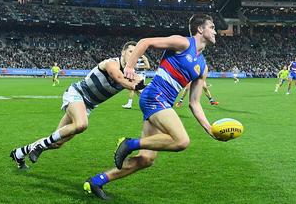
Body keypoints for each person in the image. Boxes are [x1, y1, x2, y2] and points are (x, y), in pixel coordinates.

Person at [83, 14, 221, 200]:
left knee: (146, 159)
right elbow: (145, 42)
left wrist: (210, 129)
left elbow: (194, 103)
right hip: (154, 97)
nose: (215, 31)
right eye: (212, 27)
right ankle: (129, 143)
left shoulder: (202, 67)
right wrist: (130, 66)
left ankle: (97, 181)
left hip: (163, 103)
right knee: (182, 141)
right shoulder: (183, 43)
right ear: (200, 29)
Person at [9, 41, 143, 170]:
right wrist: (136, 84)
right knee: (81, 124)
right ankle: (40, 146)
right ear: (123, 53)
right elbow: (119, 78)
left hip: (88, 105)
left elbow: (145, 94)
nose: (133, 55)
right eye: (131, 51)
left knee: (57, 142)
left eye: (136, 53)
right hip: (77, 94)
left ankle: (19, 153)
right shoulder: (111, 63)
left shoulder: (135, 77)